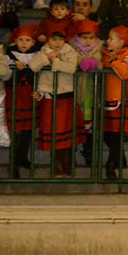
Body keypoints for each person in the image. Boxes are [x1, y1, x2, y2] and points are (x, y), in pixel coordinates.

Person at [29, 29, 84, 178]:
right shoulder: (43, 52)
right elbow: (33, 66)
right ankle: (57, 163)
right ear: (48, 40)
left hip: (67, 96)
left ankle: (67, 162)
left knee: (68, 133)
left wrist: (56, 62)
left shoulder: (70, 51)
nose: (57, 43)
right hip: (50, 98)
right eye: (54, 39)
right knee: (55, 132)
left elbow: (71, 68)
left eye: (60, 39)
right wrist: (47, 57)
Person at [0, 23, 38, 177]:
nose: (24, 43)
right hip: (14, 97)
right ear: (15, 41)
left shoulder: (36, 55)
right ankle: (13, 164)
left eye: (27, 40)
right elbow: (5, 74)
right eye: (21, 40)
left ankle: (23, 157)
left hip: (29, 97)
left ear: (33, 42)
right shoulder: (8, 56)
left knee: (28, 131)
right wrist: (13, 64)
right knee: (15, 132)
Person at [102, 26, 128, 180]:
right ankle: (119, 157)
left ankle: (111, 165)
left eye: (111, 38)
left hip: (121, 99)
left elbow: (125, 72)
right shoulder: (105, 54)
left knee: (115, 135)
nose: (107, 41)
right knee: (106, 134)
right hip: (107, 98)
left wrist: (114, 61)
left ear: (121, 42)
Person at [67, 19, 101, 167]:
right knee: (74, 123)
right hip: (76, 90)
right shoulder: (71, 48)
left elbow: (97, 61)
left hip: (92, 92)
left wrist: (89, 62)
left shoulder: (100, 48)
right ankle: (71, 154)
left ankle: (89, 153)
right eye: (84, 38)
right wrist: (87, 62)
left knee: (90, 125)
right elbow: (78, 62)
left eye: (91, 38)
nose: (88, 41)